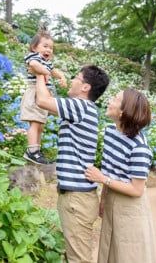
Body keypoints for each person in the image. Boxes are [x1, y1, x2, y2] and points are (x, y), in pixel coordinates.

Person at [34, 65, 110, 263]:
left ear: (85, 87)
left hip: (77, 199)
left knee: (79, 259)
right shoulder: (81, 109)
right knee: (74, 255)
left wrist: (40, 71)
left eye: (76, 77)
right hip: (76, 197)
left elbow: (42, 100)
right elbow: (49, 103)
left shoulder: (81, 107)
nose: (72, 80)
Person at [85, 88, 156, 263]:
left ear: (123, 112)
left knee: (128, 255)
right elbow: (108, 168)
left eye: (115, 99)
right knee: (109, 251)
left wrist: (102, 179)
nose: (109, 100)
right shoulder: (110, 132)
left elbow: (137, 189)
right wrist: (103, 199)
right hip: (111, 197)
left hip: (130, 207)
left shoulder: (139, 147)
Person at [20, 29, 67, 165]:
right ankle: (32, 151)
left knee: (40, 124)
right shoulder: (33, 57)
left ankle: (36, 151)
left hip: (43, 95)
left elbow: (54, 71)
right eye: (45, 46)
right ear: (35, 47)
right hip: (34, 93)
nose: (49, 50)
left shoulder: (47, 62)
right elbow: (34, 66)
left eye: (51, 48)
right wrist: (46, 72)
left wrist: (61, 76)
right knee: (35, 123)